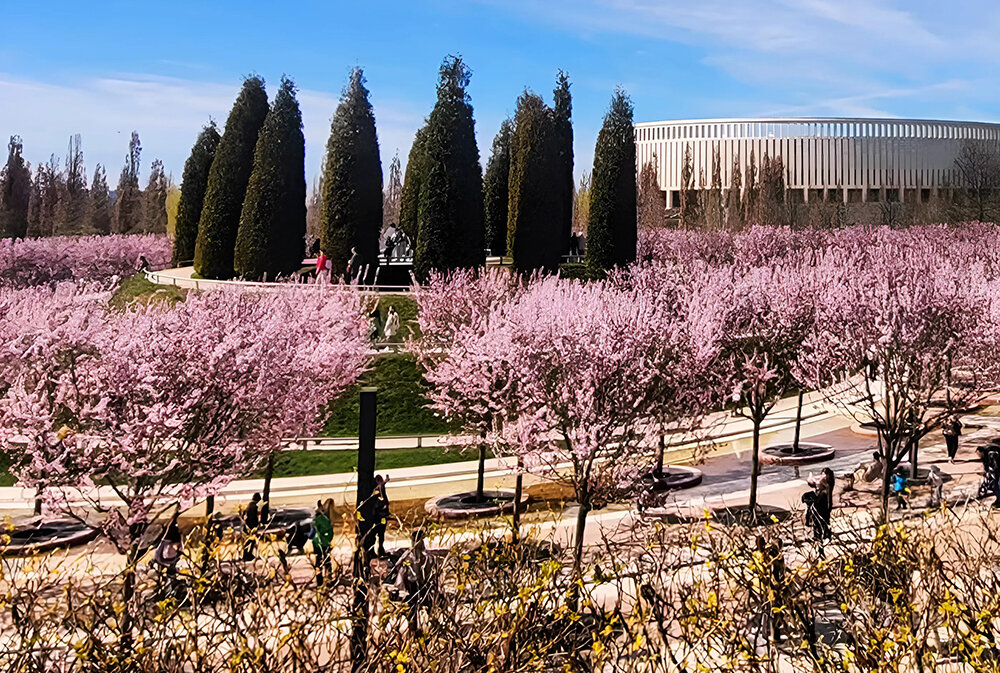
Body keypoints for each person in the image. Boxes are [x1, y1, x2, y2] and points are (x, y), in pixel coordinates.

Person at [394, 528, 436, 636]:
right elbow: (399, 568)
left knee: (427, 610)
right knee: (412, 611)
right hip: (412, 587)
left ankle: (426, 632)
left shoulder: (427, 557)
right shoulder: (409, 556)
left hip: (423, 587)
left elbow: (432, 574)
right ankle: (414, 631)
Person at [311, 500, 335, 587]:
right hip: (325, 544)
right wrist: (328, 540)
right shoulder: (325, 520)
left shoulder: (313, 521)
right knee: (327, 561)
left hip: (316, 544)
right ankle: (329, 579)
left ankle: (319, 581)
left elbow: (311, 534)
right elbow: (330, 532)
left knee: (318, 562)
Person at [372, 475, 391, 557]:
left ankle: (380, 550)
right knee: (377, 534)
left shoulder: (381, 489)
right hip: (378, 517)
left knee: (381, 535)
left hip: (382, 516)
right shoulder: (376, 492)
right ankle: (374, 551)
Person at [242, 493, 261, 561]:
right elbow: (253, 518)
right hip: (251, 528)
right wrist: (257, 524)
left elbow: (243, 515)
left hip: (247, 526)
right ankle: (248, 554)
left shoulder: (249, 505)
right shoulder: (254, 506)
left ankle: (246, 554)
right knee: (251, 541)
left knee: (248, 541)